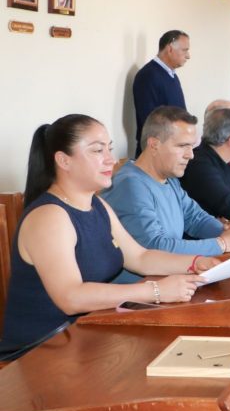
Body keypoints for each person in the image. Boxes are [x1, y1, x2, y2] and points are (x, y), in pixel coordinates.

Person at [0, 115, 215, 358]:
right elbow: (71, 297)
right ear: (63, 160)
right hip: (41, 352)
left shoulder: (97, 205)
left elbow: (140, 257)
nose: (110, 159)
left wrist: (196, 262)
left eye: (109, 149)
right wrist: (156, 290)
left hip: (88, 334)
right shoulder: (49, 217)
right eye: (97, 150)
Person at [104, 107, 230, 278]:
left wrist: (227, 231)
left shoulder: (169, 178)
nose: (191, 155)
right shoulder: (130, 185)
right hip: (140, 288)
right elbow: (154, 246)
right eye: (183, 146)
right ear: (154, 145)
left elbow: (195, 218)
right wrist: (221, 243)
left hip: (170, 280)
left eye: (192, 146)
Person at [132, 30, 189, 156]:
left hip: (172, 150)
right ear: (170, 49)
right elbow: (150, 122)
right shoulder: (148, 75)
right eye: (185, 50)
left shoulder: (172, 76)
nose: (188, 56)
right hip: (156, 153)